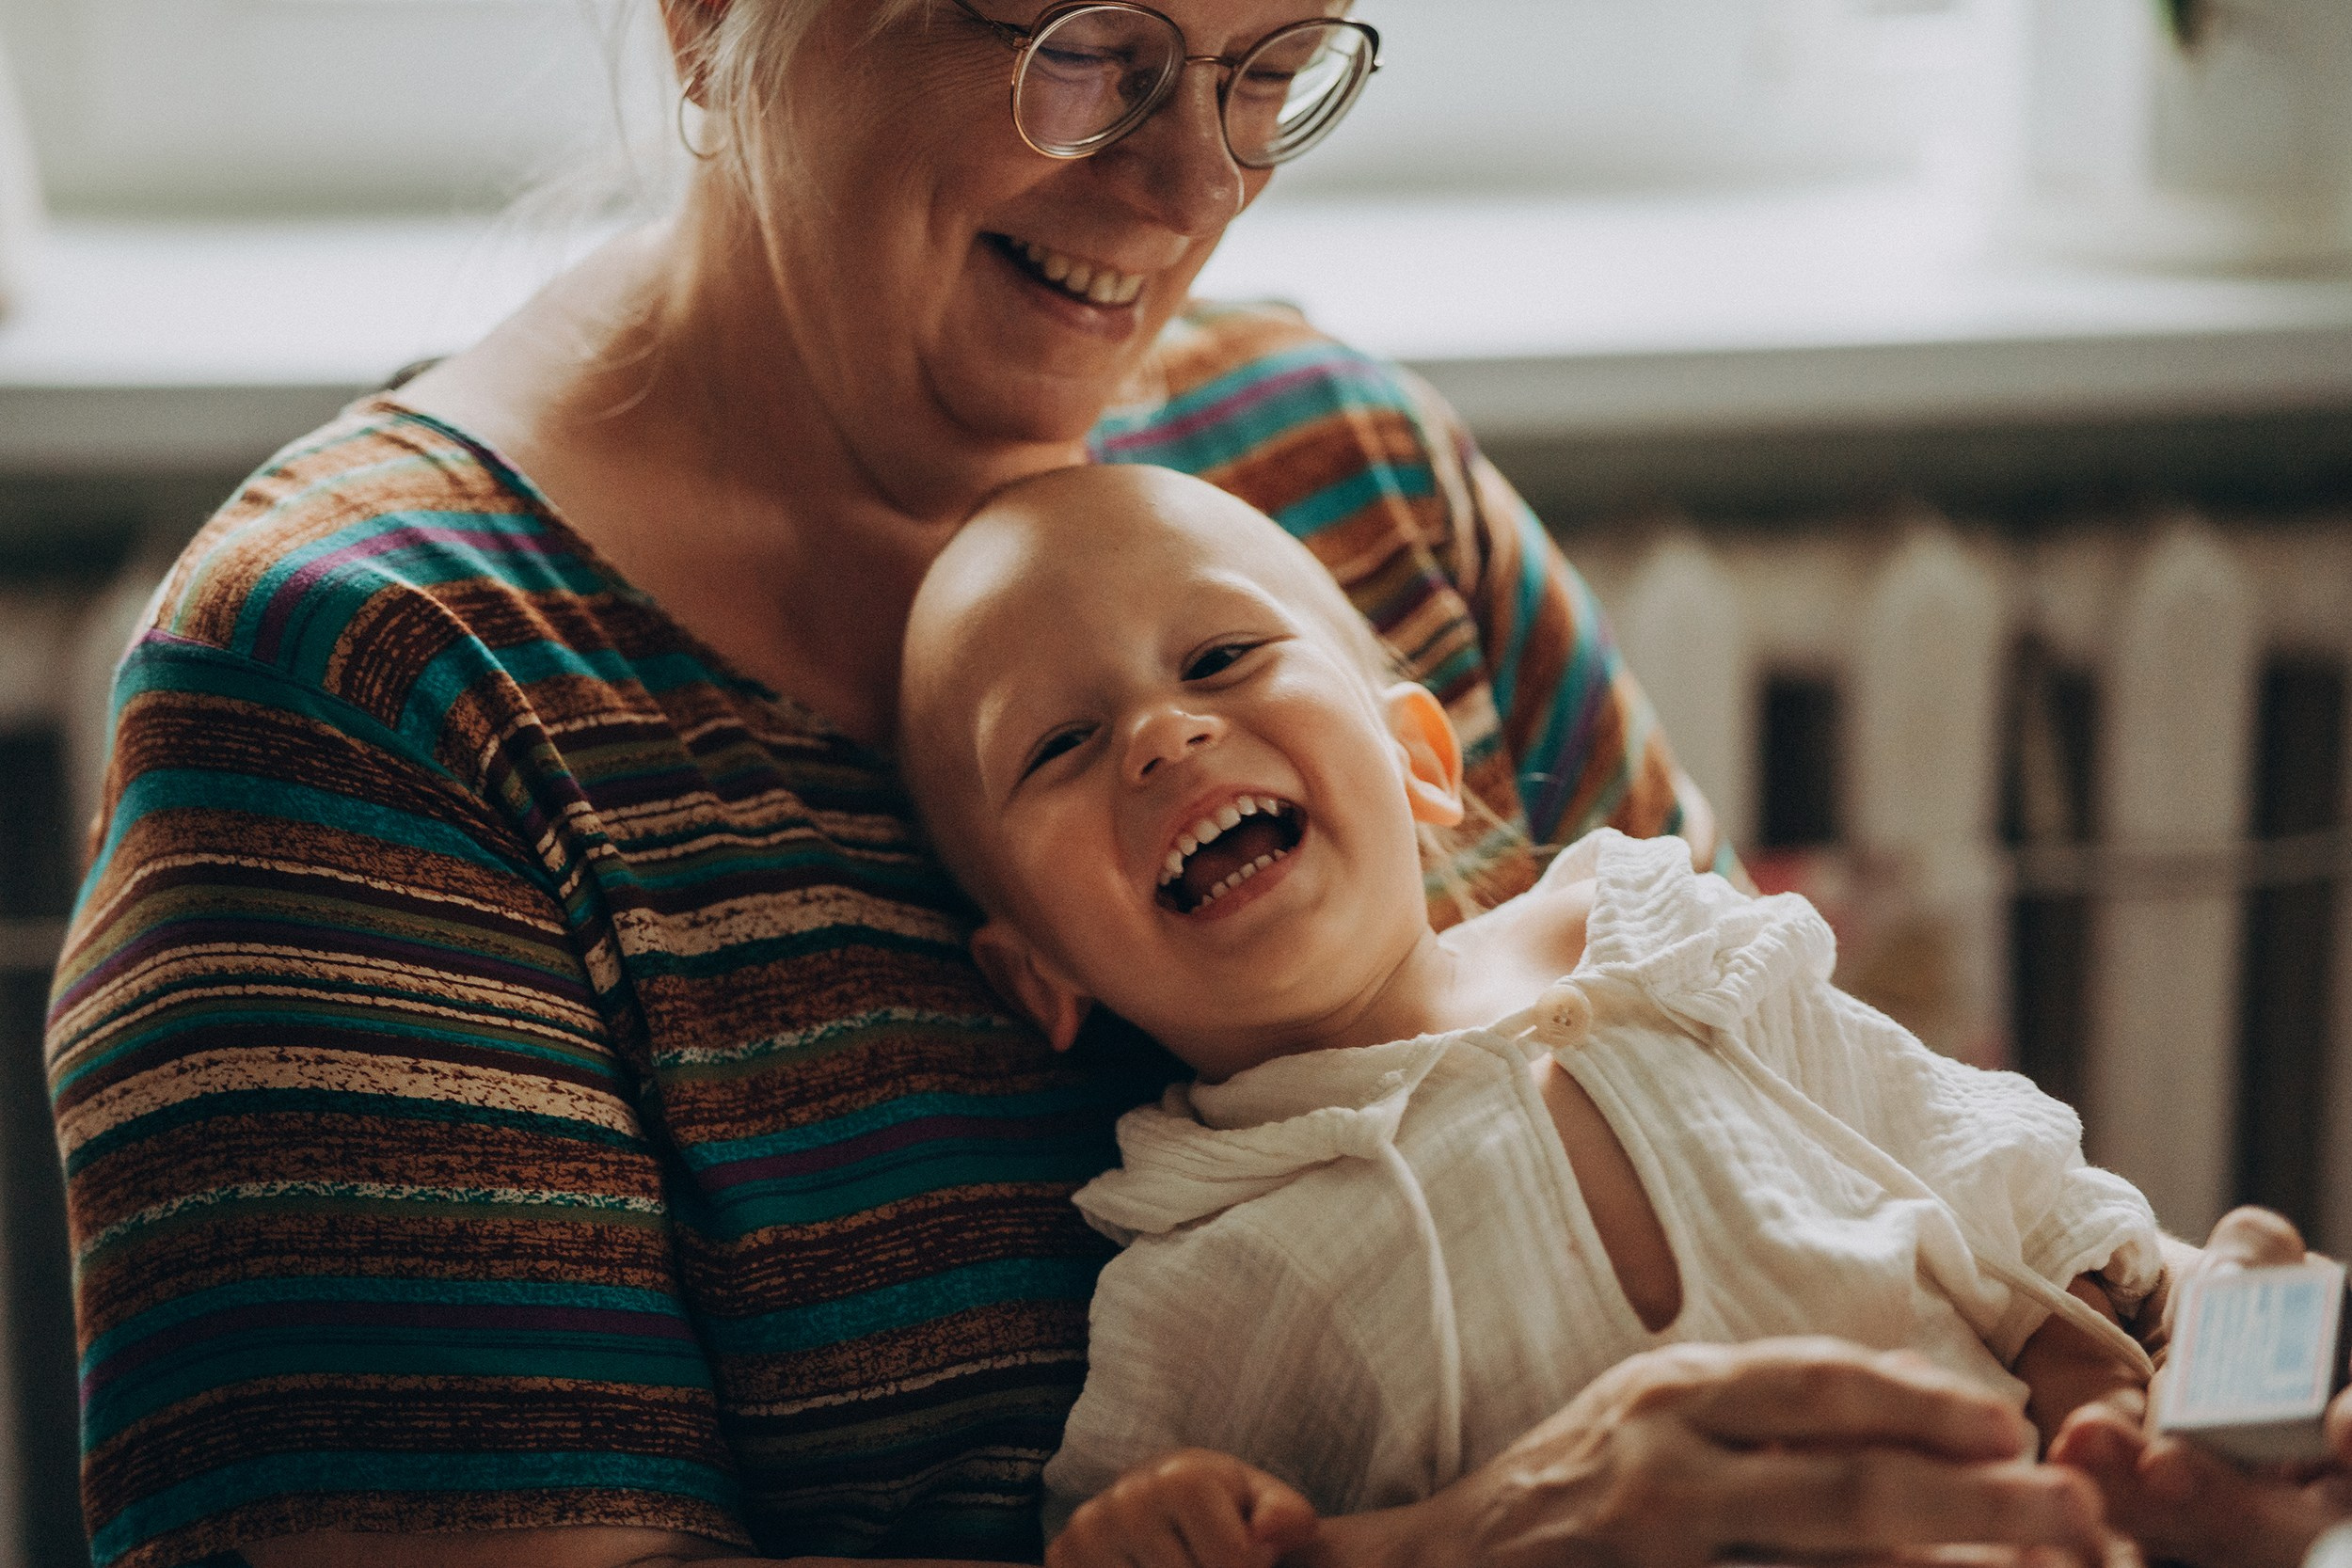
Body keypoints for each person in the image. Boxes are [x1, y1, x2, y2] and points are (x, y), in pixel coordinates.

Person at [42, 1, 2134, 1565]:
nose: (1198, 188)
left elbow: (1848, 1159)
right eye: (1088, 49)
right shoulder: (364, 695)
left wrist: (2152, 1405)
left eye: (1267, 63)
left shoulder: (1339, 467)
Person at [894, 463, 2180, 1567]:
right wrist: (1148, 1529)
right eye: (1060, 745)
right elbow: (1148, 1537)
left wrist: (2093, 1402)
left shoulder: (1668, 946)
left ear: (1420, 761)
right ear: (1038, 973)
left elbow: (1981, 1163)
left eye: (1223, 658)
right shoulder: (1196, 1273)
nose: (1165, 734)